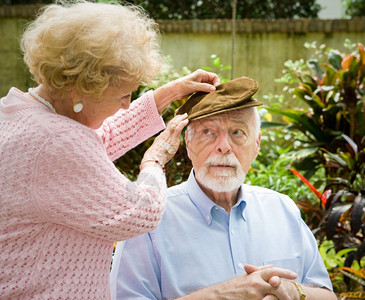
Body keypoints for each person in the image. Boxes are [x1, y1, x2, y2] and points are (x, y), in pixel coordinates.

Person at [0, 1, 220, 299]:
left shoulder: (18, 113)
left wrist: (170, 92)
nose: (126, 105)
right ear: (84, 88)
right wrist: (155, 161)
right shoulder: (58, 141)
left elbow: (98, 141)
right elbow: (141, 212)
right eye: (124, 95)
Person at [111, 77, 337, 300]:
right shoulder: (148, 221)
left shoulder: (282, 209)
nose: (224, 147)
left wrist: (293, 291)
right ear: (187, 143)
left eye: (238, 132)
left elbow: (327, 295)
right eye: (208, 132)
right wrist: (220, 295)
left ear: (256, 144)